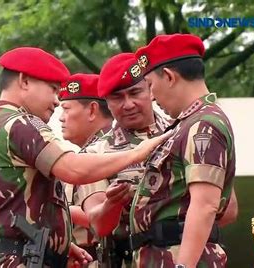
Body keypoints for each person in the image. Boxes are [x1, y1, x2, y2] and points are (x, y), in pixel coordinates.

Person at [0, 47, 172, 268]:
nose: (57, 101)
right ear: (24, 81)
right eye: (53, 89)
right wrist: (137, 153)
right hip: (20, 259)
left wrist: (59, 244)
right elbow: (74, 169)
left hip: (21, 255)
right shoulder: (20, 123)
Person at [128, 34, 237, 268]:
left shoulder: (203, 125)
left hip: (180, 258)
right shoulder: (189, 123)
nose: (152, 96)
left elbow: (206, 205)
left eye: (150, 86)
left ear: (168, 76)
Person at [78, 53, 171, 267]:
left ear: (150, 89)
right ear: (107, 103)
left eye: (135, 92)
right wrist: (112, 204)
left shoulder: (183, 134)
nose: (128, 104)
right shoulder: (96, 154)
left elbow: (225, 210)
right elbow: (98, 225)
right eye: (117, 97)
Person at [58, 73, 114, 266]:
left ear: (92, 110)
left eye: (66, 109)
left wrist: (57, 210)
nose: (60, 118)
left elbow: (97, 217)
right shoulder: (118, 146)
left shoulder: (96, 153)